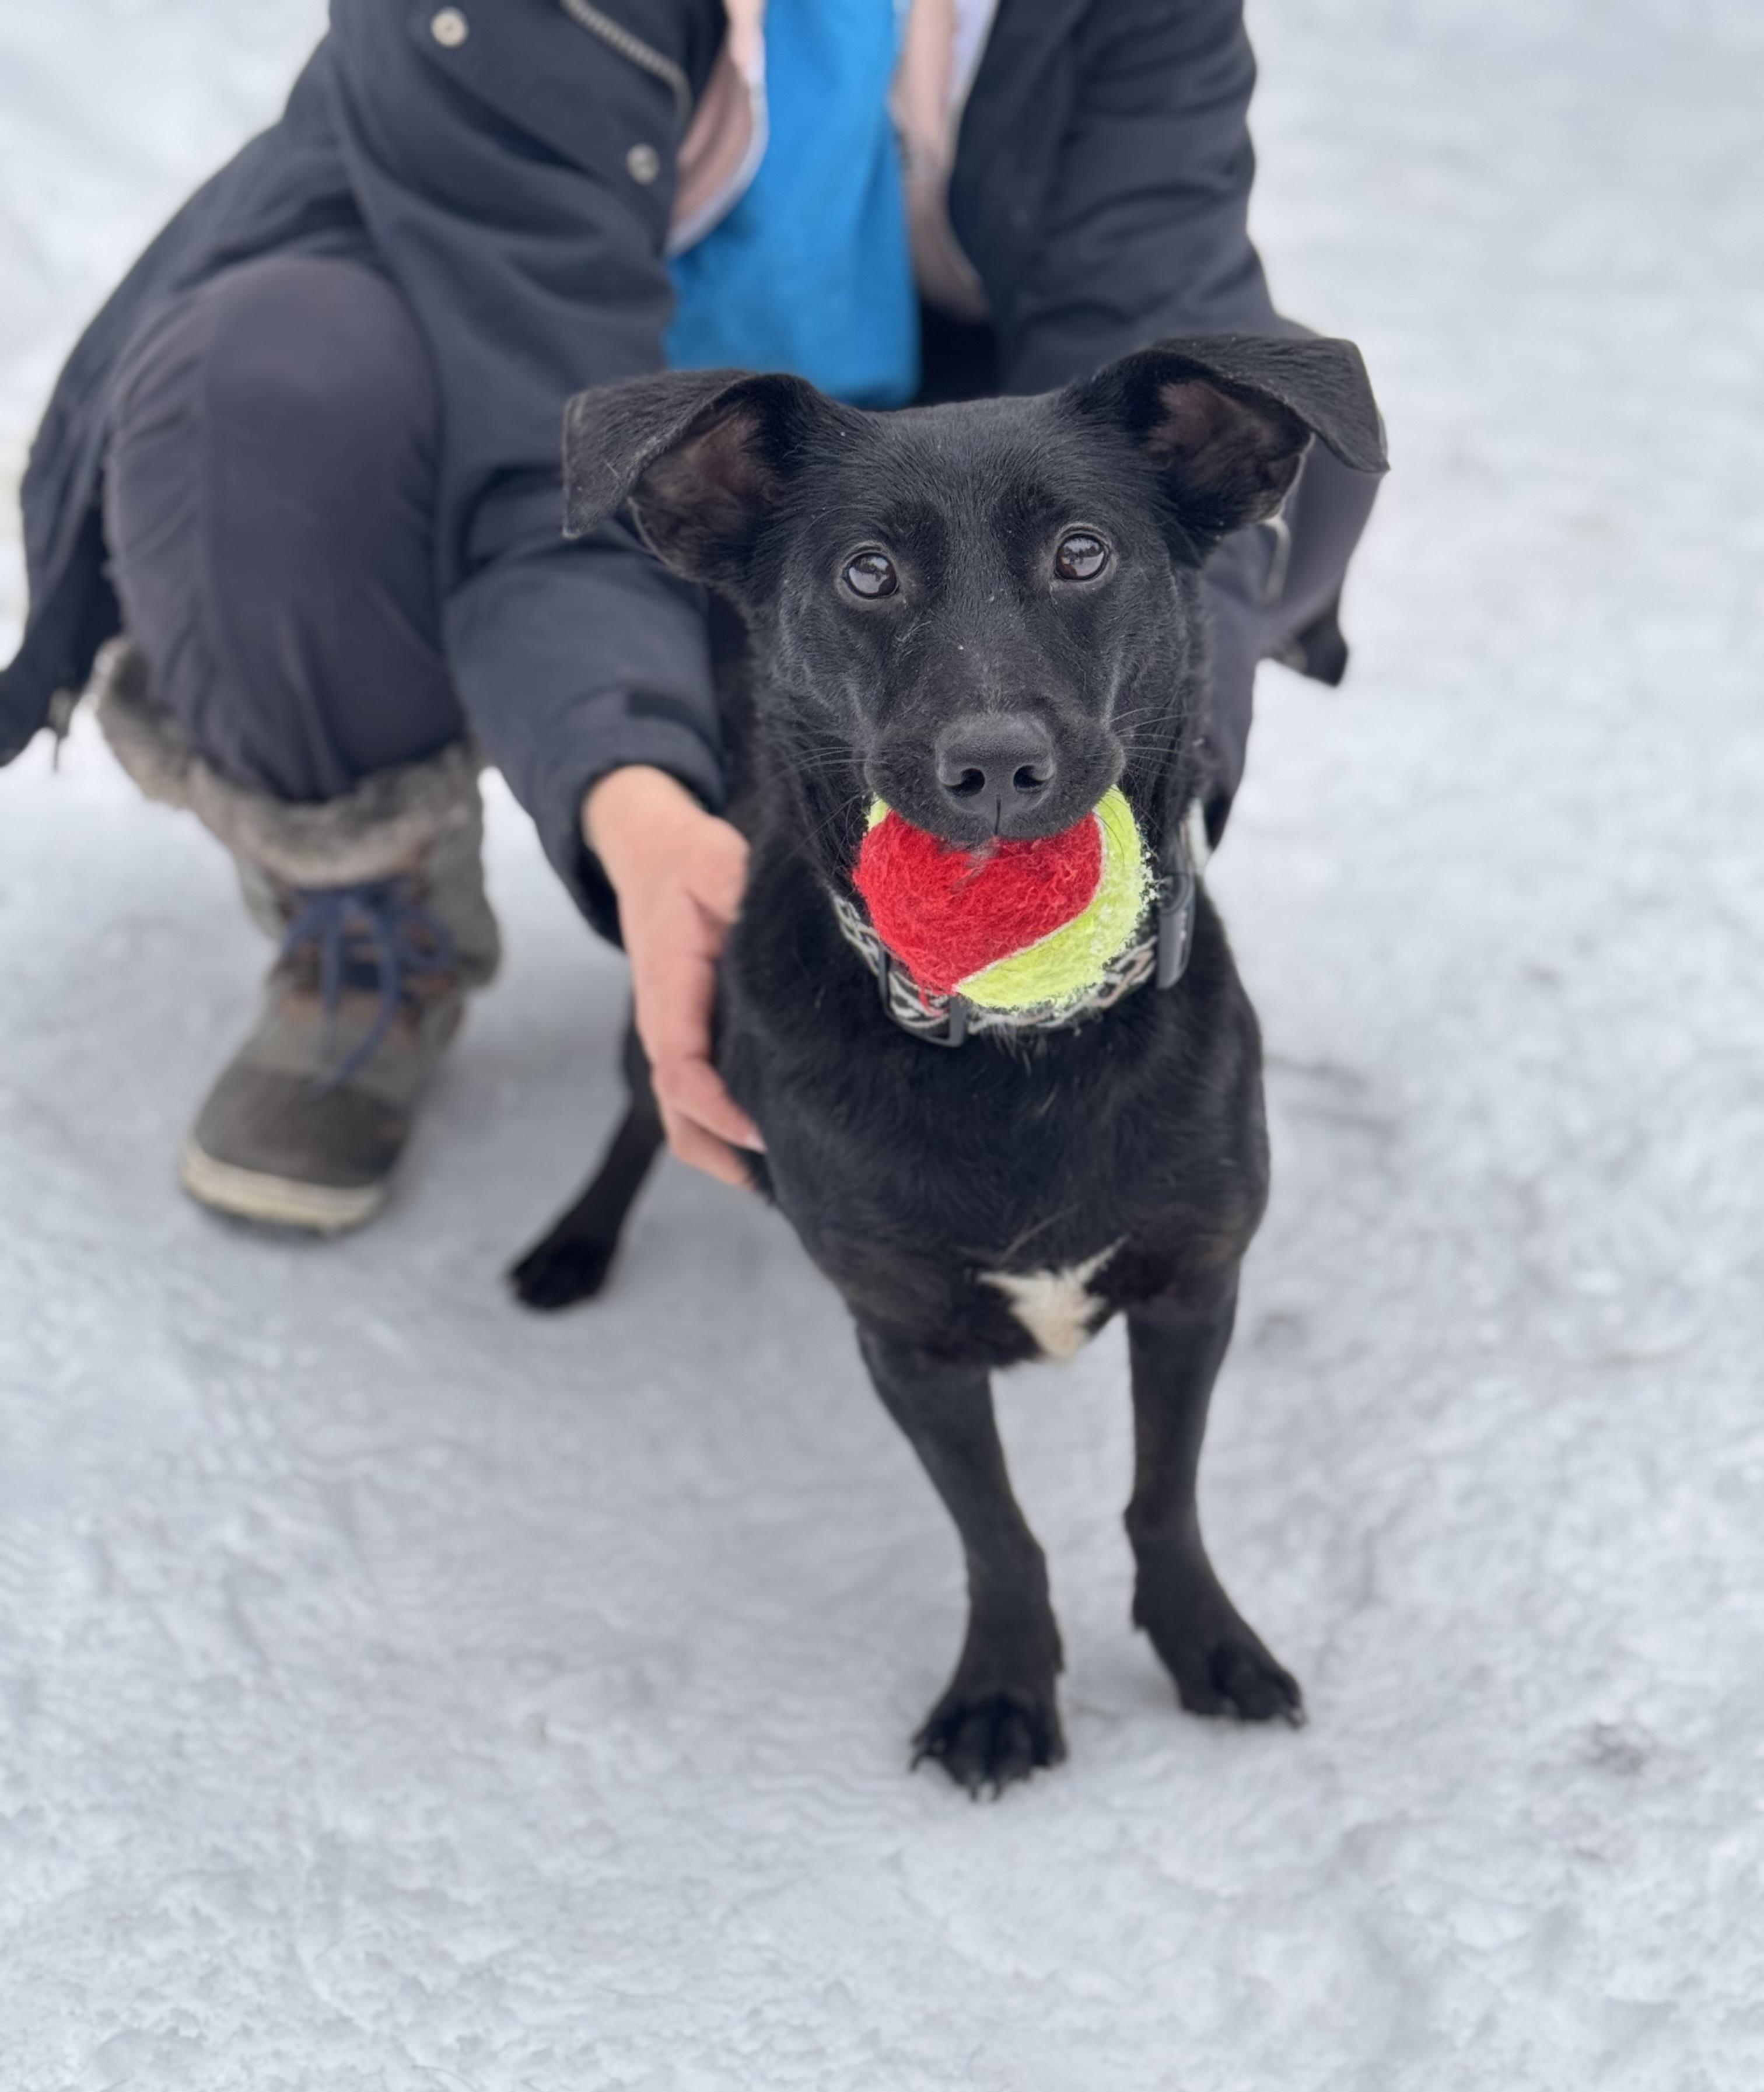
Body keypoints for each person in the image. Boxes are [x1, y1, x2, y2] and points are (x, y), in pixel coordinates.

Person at [0, 0, 1377, 1232]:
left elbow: (1155, 318)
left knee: (1270, 427)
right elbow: (534, 481)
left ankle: (1030, 837)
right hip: (529, 386)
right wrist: (635, 809)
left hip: (936, 407)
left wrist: (1152, 785)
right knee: (266, 403)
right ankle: (367, 910)